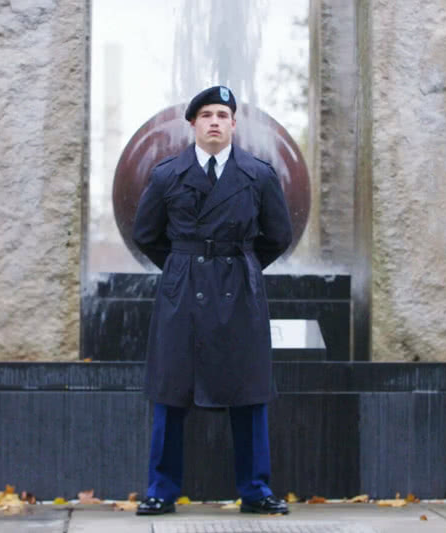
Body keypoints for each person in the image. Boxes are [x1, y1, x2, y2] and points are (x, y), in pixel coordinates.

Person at [132, 86, 293, 516]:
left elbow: (278, 236)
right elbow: (146, 235)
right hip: (182, 291)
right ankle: (160, 491)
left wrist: (236, 264)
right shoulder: (168, 174)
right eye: (206, 115)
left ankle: (256, 491)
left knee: (248, 393)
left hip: (239, 290)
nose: (215, 121)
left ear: (234, 124)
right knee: (171, 392)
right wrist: (186, 263)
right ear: (193, 124)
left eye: (223, 114)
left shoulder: (258, 175)